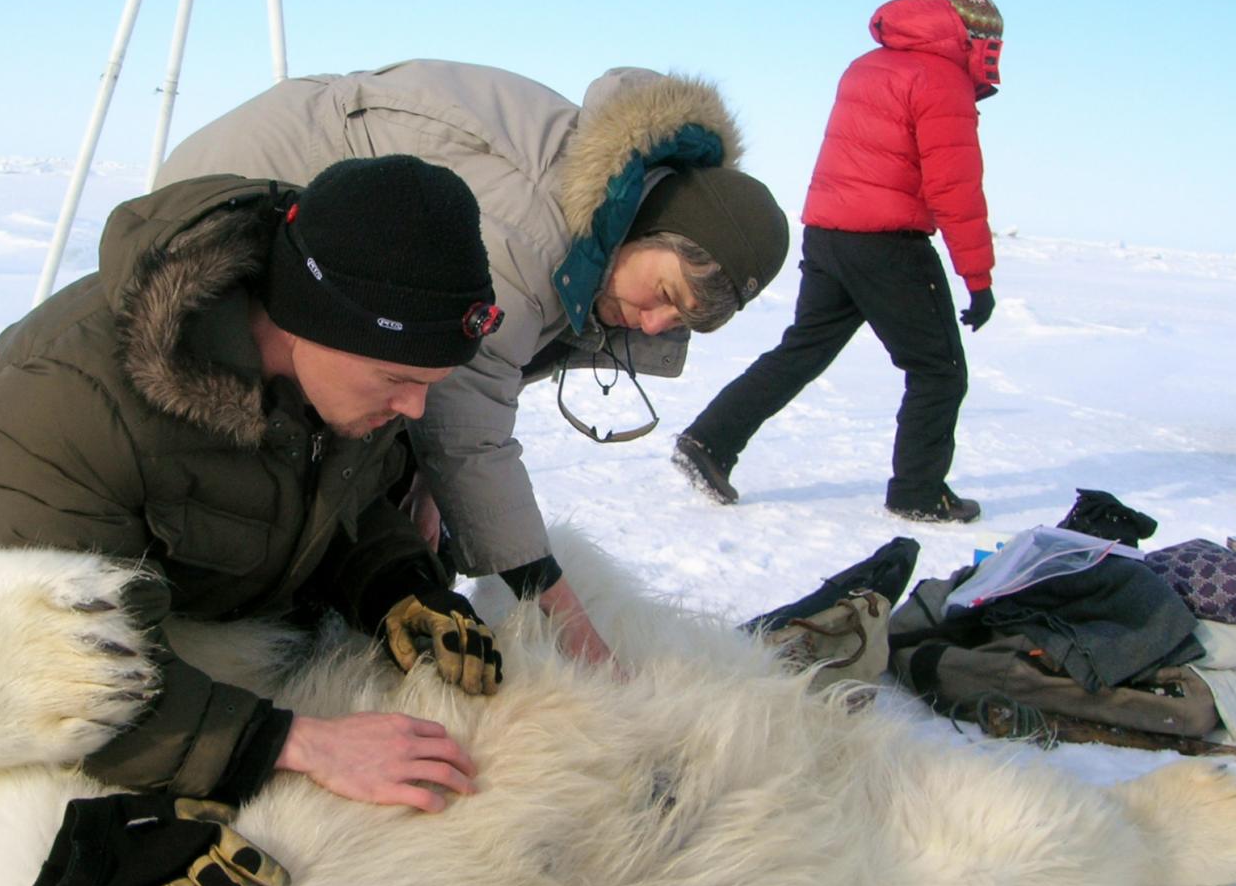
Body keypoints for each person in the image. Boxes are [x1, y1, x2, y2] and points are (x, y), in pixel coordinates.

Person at [0, 154, 510, 886]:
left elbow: (341, 496)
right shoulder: (71, 394)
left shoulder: (345, 382)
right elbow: (49, 667)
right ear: (308, 319)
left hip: (183, 599)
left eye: (430, 382)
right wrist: (298, 743)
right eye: (396, 380)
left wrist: (393, 584)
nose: (415, 406)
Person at [155, 59, 792, 664]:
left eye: (677, 323)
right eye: (665, 296)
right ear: (650, 228)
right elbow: (468, 410)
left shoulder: (604, 223)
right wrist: (561, 616)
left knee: (403, 472)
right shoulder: (533, 225)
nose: (654, 323)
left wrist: (433, 480)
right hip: (234, 211)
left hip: (347, 260)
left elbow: (449, 383)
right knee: (273, 442)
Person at [672, 0, 1004, 522]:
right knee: (938, 370)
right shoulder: (941, 79)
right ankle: (918, 493)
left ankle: (709, 442)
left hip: (829, 233)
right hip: (887, 244)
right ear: (971, 39)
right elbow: (955, 188)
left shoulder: (869, 65)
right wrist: (978, 278)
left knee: (803, 349)